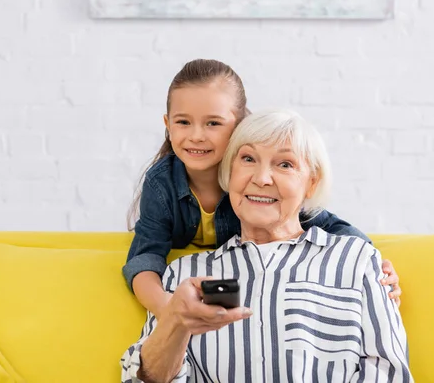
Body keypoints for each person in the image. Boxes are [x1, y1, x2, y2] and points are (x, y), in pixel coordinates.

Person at [121, 109, 412, 382]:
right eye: (248, 159)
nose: (261, 178)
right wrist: (176, 321)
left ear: (311, 183)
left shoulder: (356, 261)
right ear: (229, 173)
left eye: (285, 164)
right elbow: (143, 379)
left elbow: (390, 373)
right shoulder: (185, 274)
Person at [124, 59, 402, 321]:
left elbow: (328, 224)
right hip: (207, 273)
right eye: (183, 122)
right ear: (167, 124)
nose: (197, 135)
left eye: (213, 123)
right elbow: (145, 257)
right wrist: (166, 308)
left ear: (240, 126)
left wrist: (375, 264)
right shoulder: (161, 184)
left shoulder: (255, 185)